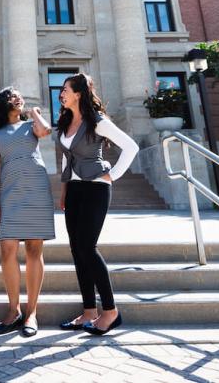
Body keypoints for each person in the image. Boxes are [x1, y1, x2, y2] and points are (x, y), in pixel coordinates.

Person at [56, 73, 138, 336]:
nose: (61, 93)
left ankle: (111, 311)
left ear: (78, 93)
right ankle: (89, 311)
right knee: (77, 250)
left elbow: (131, 147)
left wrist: (111, 174)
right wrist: (64, 190)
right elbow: (66, 160)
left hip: (96, 188)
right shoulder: (67, 121)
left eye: (65, 89)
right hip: (75, 190)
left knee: (87, 247)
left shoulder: (97, 122)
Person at [0, 87, 55, 337]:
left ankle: (31, 312)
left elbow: (46, 131)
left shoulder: (31, 126)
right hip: (10, 190)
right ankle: (13, 309)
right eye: (13, 97)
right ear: (4, 104)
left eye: (20, 96)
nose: (19, 99)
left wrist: (35, 112)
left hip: (36, 187)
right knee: (7, 248)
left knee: (35, 248)